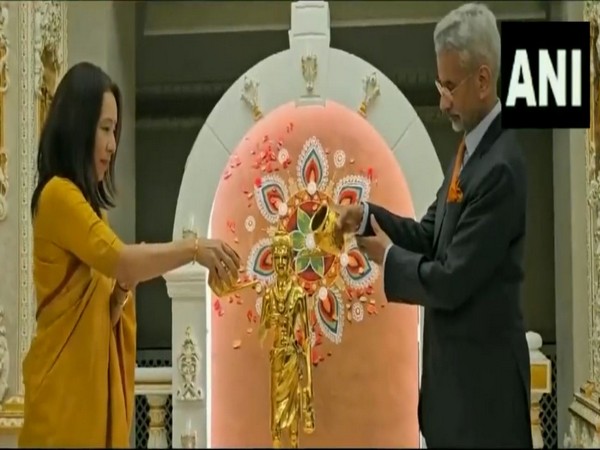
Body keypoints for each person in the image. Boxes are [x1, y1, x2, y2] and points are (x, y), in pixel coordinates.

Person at [336, 3, 532, 448]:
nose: (442, 100)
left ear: (483, 80)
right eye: (439, 83)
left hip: (484, 404)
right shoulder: (469, 152)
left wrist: (386, 256)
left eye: (449, 86)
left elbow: (450, 280)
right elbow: (431, 236)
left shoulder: (500, 167)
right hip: (454, 400)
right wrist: (367, 216)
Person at [19, 61, 241, 448]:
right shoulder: (58, 197)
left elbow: (110, 289)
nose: (112, 144)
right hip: (62, 411)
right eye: (105, 129)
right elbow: (120, 259)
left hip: (88, 404)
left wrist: (120, 293)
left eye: (115, 131)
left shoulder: (91, 210)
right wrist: (193, 249)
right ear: (78, 126)